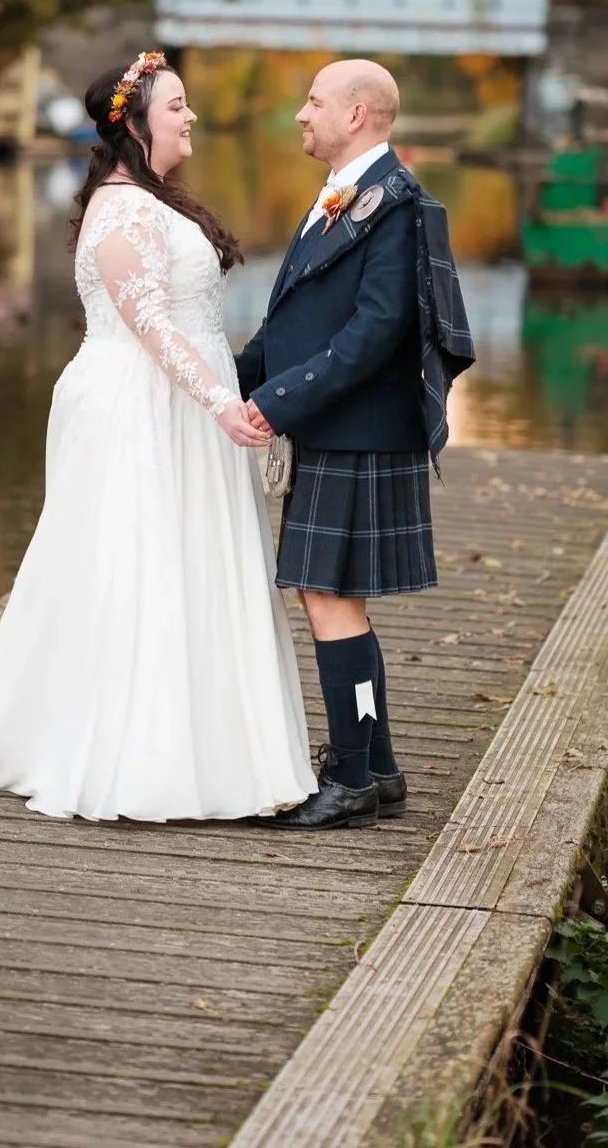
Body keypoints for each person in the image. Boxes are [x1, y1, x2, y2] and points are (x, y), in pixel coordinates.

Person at [0, 52, 317, 820]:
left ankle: (215, 749)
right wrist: (218, 403)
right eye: (176, 107)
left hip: (179, 401)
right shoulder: (124, 208)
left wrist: (228, 393)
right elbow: (150, 322)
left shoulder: (152, 199)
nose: (190, 116)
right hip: (142, 402)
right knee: (142, 563)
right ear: (132, 123)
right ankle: (138, 753)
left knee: (185, 560)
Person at [237, 60, 475, 830]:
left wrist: (274, 402)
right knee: (335, 596)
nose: (301, 114)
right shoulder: (346, 196)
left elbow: (375, 335)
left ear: (360, 115)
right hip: (339, 425)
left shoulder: (396, 206)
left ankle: (349, 774)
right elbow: (294, 324)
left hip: (360, 430)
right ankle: (375, 764)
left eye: (313, 101)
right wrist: (225, 381)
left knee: (328, 596)